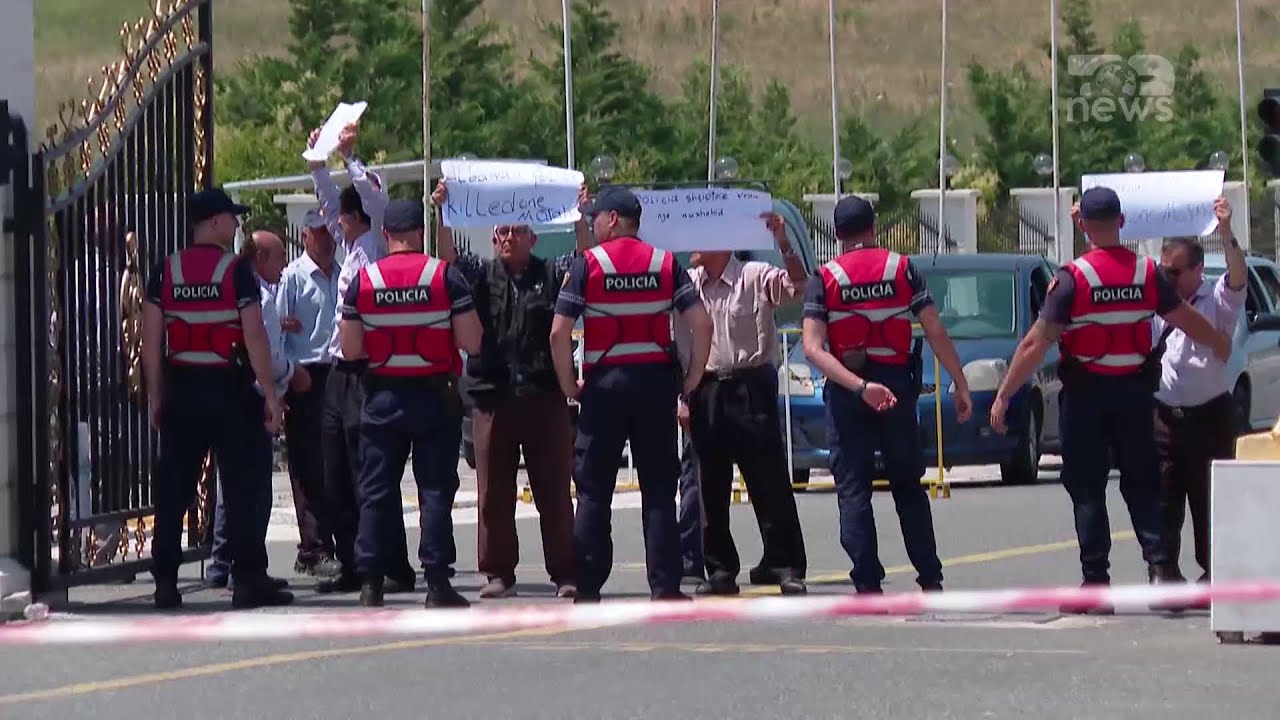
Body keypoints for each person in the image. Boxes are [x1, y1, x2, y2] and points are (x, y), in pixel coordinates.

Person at [990, 186, 1232, 614]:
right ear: (1122, 223)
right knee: (1143, 484)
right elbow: (1185, 318)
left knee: (1087, 488)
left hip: (1086, 395)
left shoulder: (1072, 279)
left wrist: (1004, 394)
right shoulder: (1146, 273)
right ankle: (1161, 572)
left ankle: (1097, 584)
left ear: (1083, 226)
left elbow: (1034, 344)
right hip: (1135, 394)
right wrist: (1218, 342)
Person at [801, 195, 972, 595]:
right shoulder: (901, 268)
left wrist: (860, 387)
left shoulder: (825, 277)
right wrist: (960, 383)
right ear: (873, 228)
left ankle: (868, 583)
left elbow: (812, 348)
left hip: (849, 391)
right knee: (908, 486)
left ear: (837, 234)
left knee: (853, 490)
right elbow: (935, 330)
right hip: (897, 387)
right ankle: (929, 577)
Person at [550, 186, 713, 603]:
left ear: (613, 220)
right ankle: (665, 585)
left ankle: (588, 585)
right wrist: (693, 377)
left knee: (593, 491)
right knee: (659, 489)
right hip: (655, 385)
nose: (592, 225)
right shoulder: (665, 263)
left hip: (604, 387)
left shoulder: (588, 264)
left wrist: (568, 384)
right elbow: (702, 323)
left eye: (596, 218)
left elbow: (558, 333)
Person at [430, 179, 589, 600]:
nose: (507, 237)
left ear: (533, 238)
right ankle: (498, 573)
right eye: (501, 231)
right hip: (492, 398)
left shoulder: (551, 273)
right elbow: (448, 258)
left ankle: (566, 573)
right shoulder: (481, 274)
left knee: (554, 491)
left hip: (544, 397)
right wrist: (443, 212)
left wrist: (580, 214)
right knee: (494, 495)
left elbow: (585, 258)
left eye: (517, 231)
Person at [141, 188, 291, 610]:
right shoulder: (235, 271)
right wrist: (270, 394)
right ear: (213, 221)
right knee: (242, 488)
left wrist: (156, 396)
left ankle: (165, 580)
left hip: (183, 387)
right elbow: (254, 336)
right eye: (231, 216)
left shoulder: (165, 270)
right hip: (228, 388)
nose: (236, 223)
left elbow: (151, 343)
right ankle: (248, 579)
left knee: (174, 489)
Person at [338, 199, 482, 608]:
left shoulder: (363, 280)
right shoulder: (445, 277)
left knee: (376, 491)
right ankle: (437, 583)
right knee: (434, 491)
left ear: (385, 234)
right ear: (421, 232)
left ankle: (371, 583)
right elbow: (472, 341)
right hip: (435, 397)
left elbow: (350, 349)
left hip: (382, 397)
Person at [307, 123, 417, 595]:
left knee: (366, 471)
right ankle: (353, 561)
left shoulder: (374, 243)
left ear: (356, 219)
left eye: (340, 217)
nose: (332, 221)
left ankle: (391, 564)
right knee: (334, 471)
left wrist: (349, 156)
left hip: (366, 369)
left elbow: (373, 198)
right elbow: (330, 201)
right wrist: (318, 161)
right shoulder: (351, 244)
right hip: (338, 370)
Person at [676, 217, 810, 597]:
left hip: (751, 385)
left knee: (769, 481)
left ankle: (785, 565)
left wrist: (783, 240)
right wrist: (682, 397)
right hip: (706, 388)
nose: (691, 245)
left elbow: (798, 286)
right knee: (710, 486)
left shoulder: (754, 275)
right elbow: (677, 344)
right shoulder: (687, 284)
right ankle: (720, 569)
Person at [1153, 197, 1245, 598]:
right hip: (1164, 415)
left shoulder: (1217, 301)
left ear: (1197, 269)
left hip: (1209, 417)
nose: (1168, 279)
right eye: (1164, 271)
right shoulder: (1156, 302)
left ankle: (1214, 574)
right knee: (1163, 498)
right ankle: (1163, 572)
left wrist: (1226, 232)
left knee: (1209, 501)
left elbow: (1238, 275)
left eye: (1175, 272)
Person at [206, 230, 302, 590]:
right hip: (256, 397)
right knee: (254, 490)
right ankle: (248, 570)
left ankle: (221, 563)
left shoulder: (236, 289)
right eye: (279, 257)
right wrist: (292, 375)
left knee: (230, 487)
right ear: (260, 257)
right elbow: (269, 355)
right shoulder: (259, 297)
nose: (284, 265)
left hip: (229, 394)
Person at [277, 209, 343, 577]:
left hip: (337, 372)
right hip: (305, 374)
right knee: (308, 464)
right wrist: (286, 378)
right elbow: (276, 330)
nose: (327, 239)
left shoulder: (343, 273)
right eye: (319, 233)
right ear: (305, 237)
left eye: (330, 232)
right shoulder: (293, 277)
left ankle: (330, 543)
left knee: (335, 463)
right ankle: (314, 547)